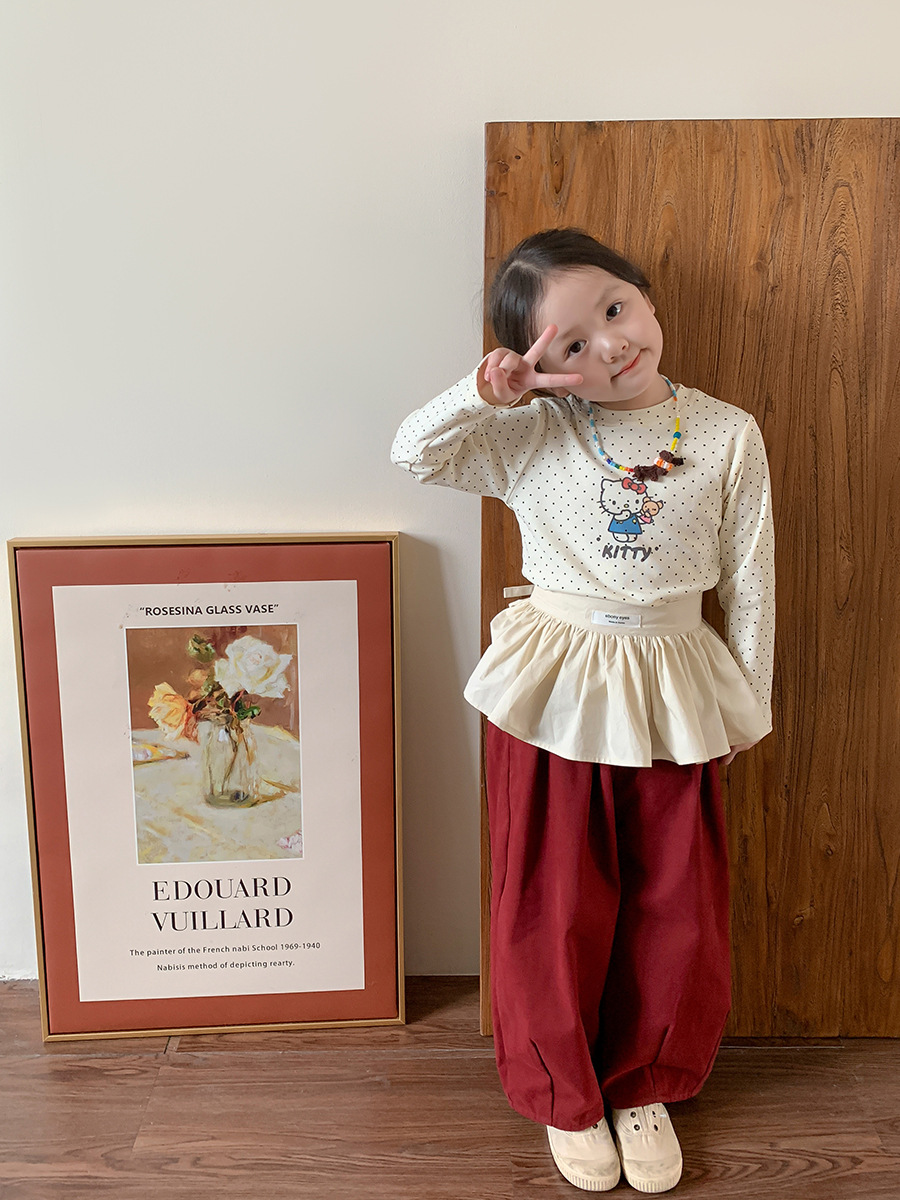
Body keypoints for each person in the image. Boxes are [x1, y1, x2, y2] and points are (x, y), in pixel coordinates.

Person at [391, 228, 775, 1194]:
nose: (609, 344)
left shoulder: (727, 432)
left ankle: (644, 1083)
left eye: (614, 308)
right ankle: (565, 1091)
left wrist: (746, 707)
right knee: (552, 897)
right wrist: (489, 392)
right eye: (569, 345)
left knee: (675, 901)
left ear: (643, 294)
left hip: (677, 681)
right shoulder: (529, 433)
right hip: (554, 680)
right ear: (541, 365)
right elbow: (413, 452)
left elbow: (753, 580)